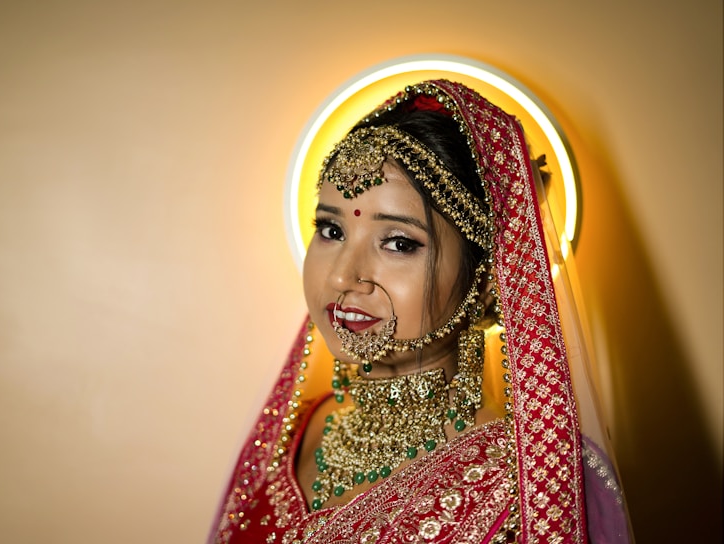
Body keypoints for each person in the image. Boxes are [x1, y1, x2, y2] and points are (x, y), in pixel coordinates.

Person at [209, 80, 633, 543]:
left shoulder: (532, 487)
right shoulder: (285, 438)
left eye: (398, 243)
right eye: (331, 230)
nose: (341, 278)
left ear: (487, 283)